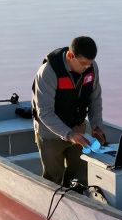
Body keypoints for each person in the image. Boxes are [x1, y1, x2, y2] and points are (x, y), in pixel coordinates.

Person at [31, 36, 105, 187]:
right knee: (53, 179)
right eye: (83, 64)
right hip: (50, 132)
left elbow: (95, 100)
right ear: (71, 56)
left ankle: (78, 195)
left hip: (79, 128)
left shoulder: (92, 67)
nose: (87, 67)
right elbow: (44, 112)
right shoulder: (48, 72)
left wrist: (96, 126)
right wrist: (69, 134)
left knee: (81, 175)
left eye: (90, 63)